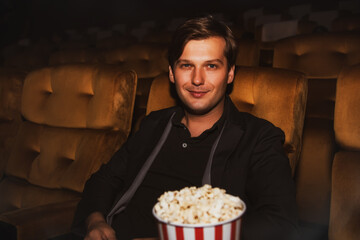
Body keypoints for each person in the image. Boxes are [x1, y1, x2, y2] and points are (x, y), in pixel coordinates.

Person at [71, 15, 299, 240]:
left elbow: (279, 220)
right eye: (186, 65)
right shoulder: (153, 124)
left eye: (211, 66)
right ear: (172, 73)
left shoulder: (258, 137)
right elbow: (102, 181)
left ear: (229, 73)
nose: (197, 79)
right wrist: (96, 222)